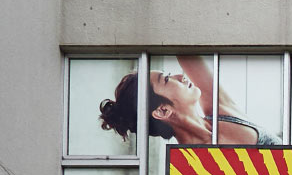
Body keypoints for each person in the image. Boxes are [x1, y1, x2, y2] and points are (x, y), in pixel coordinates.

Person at [98, 55, 282, 146]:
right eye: (168, 78)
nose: (181, 76)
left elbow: (185, 46)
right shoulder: (190, 171)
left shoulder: (221, 109)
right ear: (162, 110)